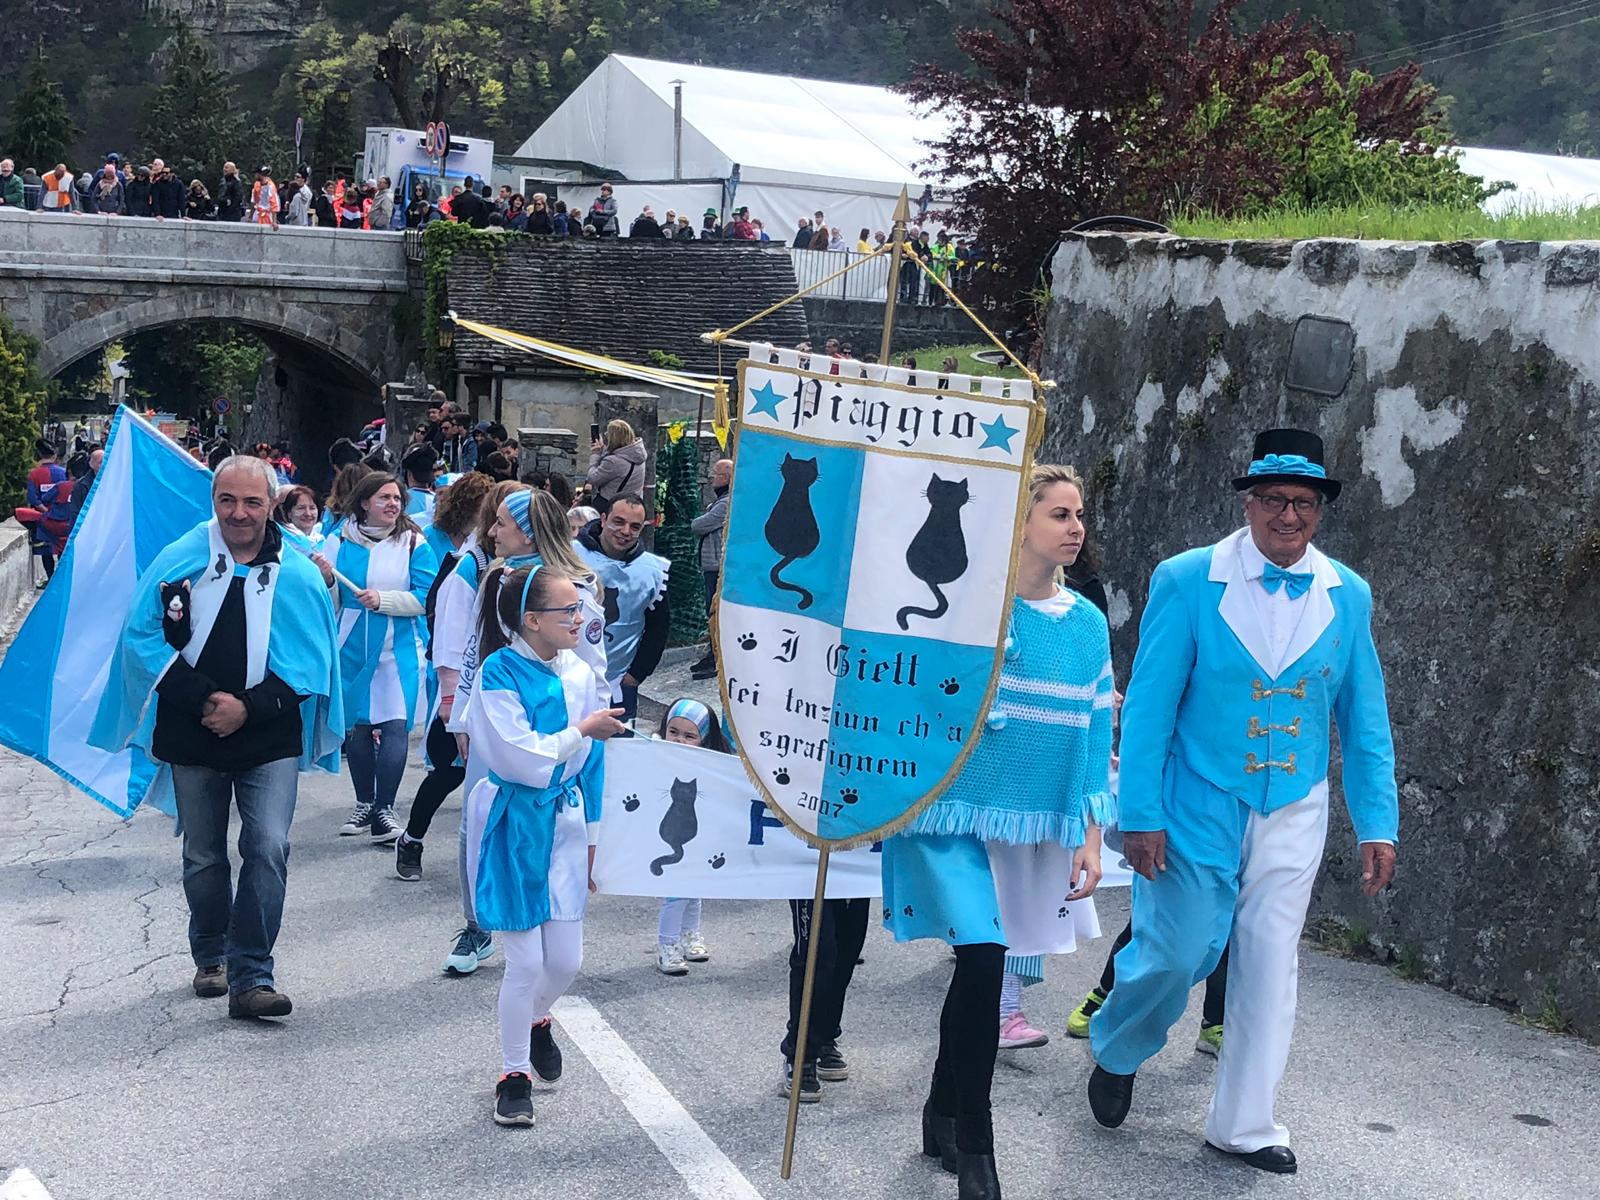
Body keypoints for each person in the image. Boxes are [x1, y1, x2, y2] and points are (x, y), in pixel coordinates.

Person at [1086, 429, 1399, 1177]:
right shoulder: (1188, 578)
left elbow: (1364, 718)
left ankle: (1245, 1123)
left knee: (1269, 960)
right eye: (1274, 499)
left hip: (1296, 804)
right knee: (1182, 948)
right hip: (1196, 798)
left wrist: (1377, 822)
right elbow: (1151, 705)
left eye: (1304, 502)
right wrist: (1140, 814)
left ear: (1319, 510)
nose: (1289, 515)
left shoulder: (1348, 594)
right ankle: (1120, 1044)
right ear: (1248, 503)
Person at [883, 462, 1114, 1199]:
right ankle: (977, 1145)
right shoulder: (965, 607)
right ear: (1019, 522)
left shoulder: (1087, 623)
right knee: (983, 963)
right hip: (949, 814)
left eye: (1079, 514)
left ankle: (940, 1109)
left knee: (981, 970)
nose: (1076, 528)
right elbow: (912, 695)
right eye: (1059, 514)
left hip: (1031, 824)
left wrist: (1090, 833)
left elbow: (1094, 728)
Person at [90, 456, 343, 1019]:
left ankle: (253, 974)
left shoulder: (298, 573)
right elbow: (142, 637)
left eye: (252, 502)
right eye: (227, 500)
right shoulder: (181, 558)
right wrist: (207, 701)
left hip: (268, 732)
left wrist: (246, 709)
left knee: (269, 846)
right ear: (213, 502)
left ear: (271, 505)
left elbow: (310, 660)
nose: (239, 513)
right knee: (203, 854)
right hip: (193, 726)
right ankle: (211, 952)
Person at [461, 562, 626, 1126]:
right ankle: (513, 1075)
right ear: (532, 621)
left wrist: (595, 839)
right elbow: (520, 754)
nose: (581, 619)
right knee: (526, 960)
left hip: (566, 821)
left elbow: (594, 763)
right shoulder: (498, 672)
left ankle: (534, 1020)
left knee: (565, 961)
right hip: (513, 821)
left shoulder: (579, 671)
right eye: (568, 610)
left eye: (579, 608)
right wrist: (582, 731)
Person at [314, 473, 440, 843]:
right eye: (384, 497)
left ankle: (385, 808)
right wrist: (327, 580)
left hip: (398, 648)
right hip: (351, 645)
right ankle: (364, 803)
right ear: (364, 502)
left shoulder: (414, 543)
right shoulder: (337, 541)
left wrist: (383, 600)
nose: (393, 504)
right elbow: (328, 599)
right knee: (358, 726)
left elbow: (427, 597)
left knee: (395, 724)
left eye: (397, 498)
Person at [393, 472, 494, 881]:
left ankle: (490, 859)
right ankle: (412, 838)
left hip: (505, 685)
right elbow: (449, 634)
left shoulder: (523, 566)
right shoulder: (467, 565)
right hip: (465, 684)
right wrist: (451, 698)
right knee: (450, 771)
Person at [573, 495, 669, 725]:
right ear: (603, 519)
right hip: (566, 675)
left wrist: (636, 674)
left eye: (635, 526)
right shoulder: (570, 555)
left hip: (619, 681)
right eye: (618, 522)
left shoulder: (652, 571)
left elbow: (659, 627)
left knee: (619, 744)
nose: (625, 531)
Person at [652, 699, 727, 974]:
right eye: (673, 732)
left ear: (704, 739)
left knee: (694, 886)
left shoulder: (713, 766)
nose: (679, 740)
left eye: (689, 736)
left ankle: (689, 935)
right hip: (670, 833)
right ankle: (667, 945)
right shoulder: (654, 757)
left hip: (699, 835)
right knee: (676, 892)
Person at [688, 458, 732, 681]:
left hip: (716, 566)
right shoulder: (721, 501)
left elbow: (699, 525)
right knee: (711, 611)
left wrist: (699, 519)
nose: (712, 478)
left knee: (714, 611)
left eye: (716, 473)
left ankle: (715, 656)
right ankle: (712, 652)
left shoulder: (726, 503)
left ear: (727, 478)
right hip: (711, 564)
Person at [584, 419, 647, 510]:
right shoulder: (637, 455)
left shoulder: (613, 462)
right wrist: (603, 449)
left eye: (607, 434)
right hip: (632, 504)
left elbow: (592, 478)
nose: (605, 435)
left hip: (610, 504)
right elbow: (620, 455)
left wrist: (595, 454)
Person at [274, 485, 323, 549]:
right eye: (301, 508)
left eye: (312, 508)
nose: (308, 514)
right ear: (289, 513)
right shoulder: (280, 542)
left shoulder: (323, 541)